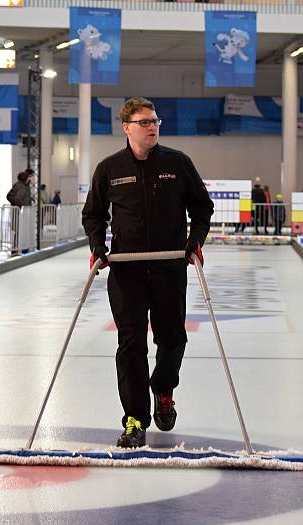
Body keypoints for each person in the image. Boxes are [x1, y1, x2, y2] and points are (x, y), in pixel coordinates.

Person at [82, 97, 214, 448]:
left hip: (171, 268)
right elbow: (93, 214)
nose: (152, 126)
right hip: (127, 271)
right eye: (144, 122)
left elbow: (203, 206)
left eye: (155, 121)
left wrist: (194, 240)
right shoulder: (109, 168)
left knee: (173, 339)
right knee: (130, 345)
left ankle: (164, 389)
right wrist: (98, 246)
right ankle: (135, 419)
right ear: (126, 128)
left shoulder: (177, 163)